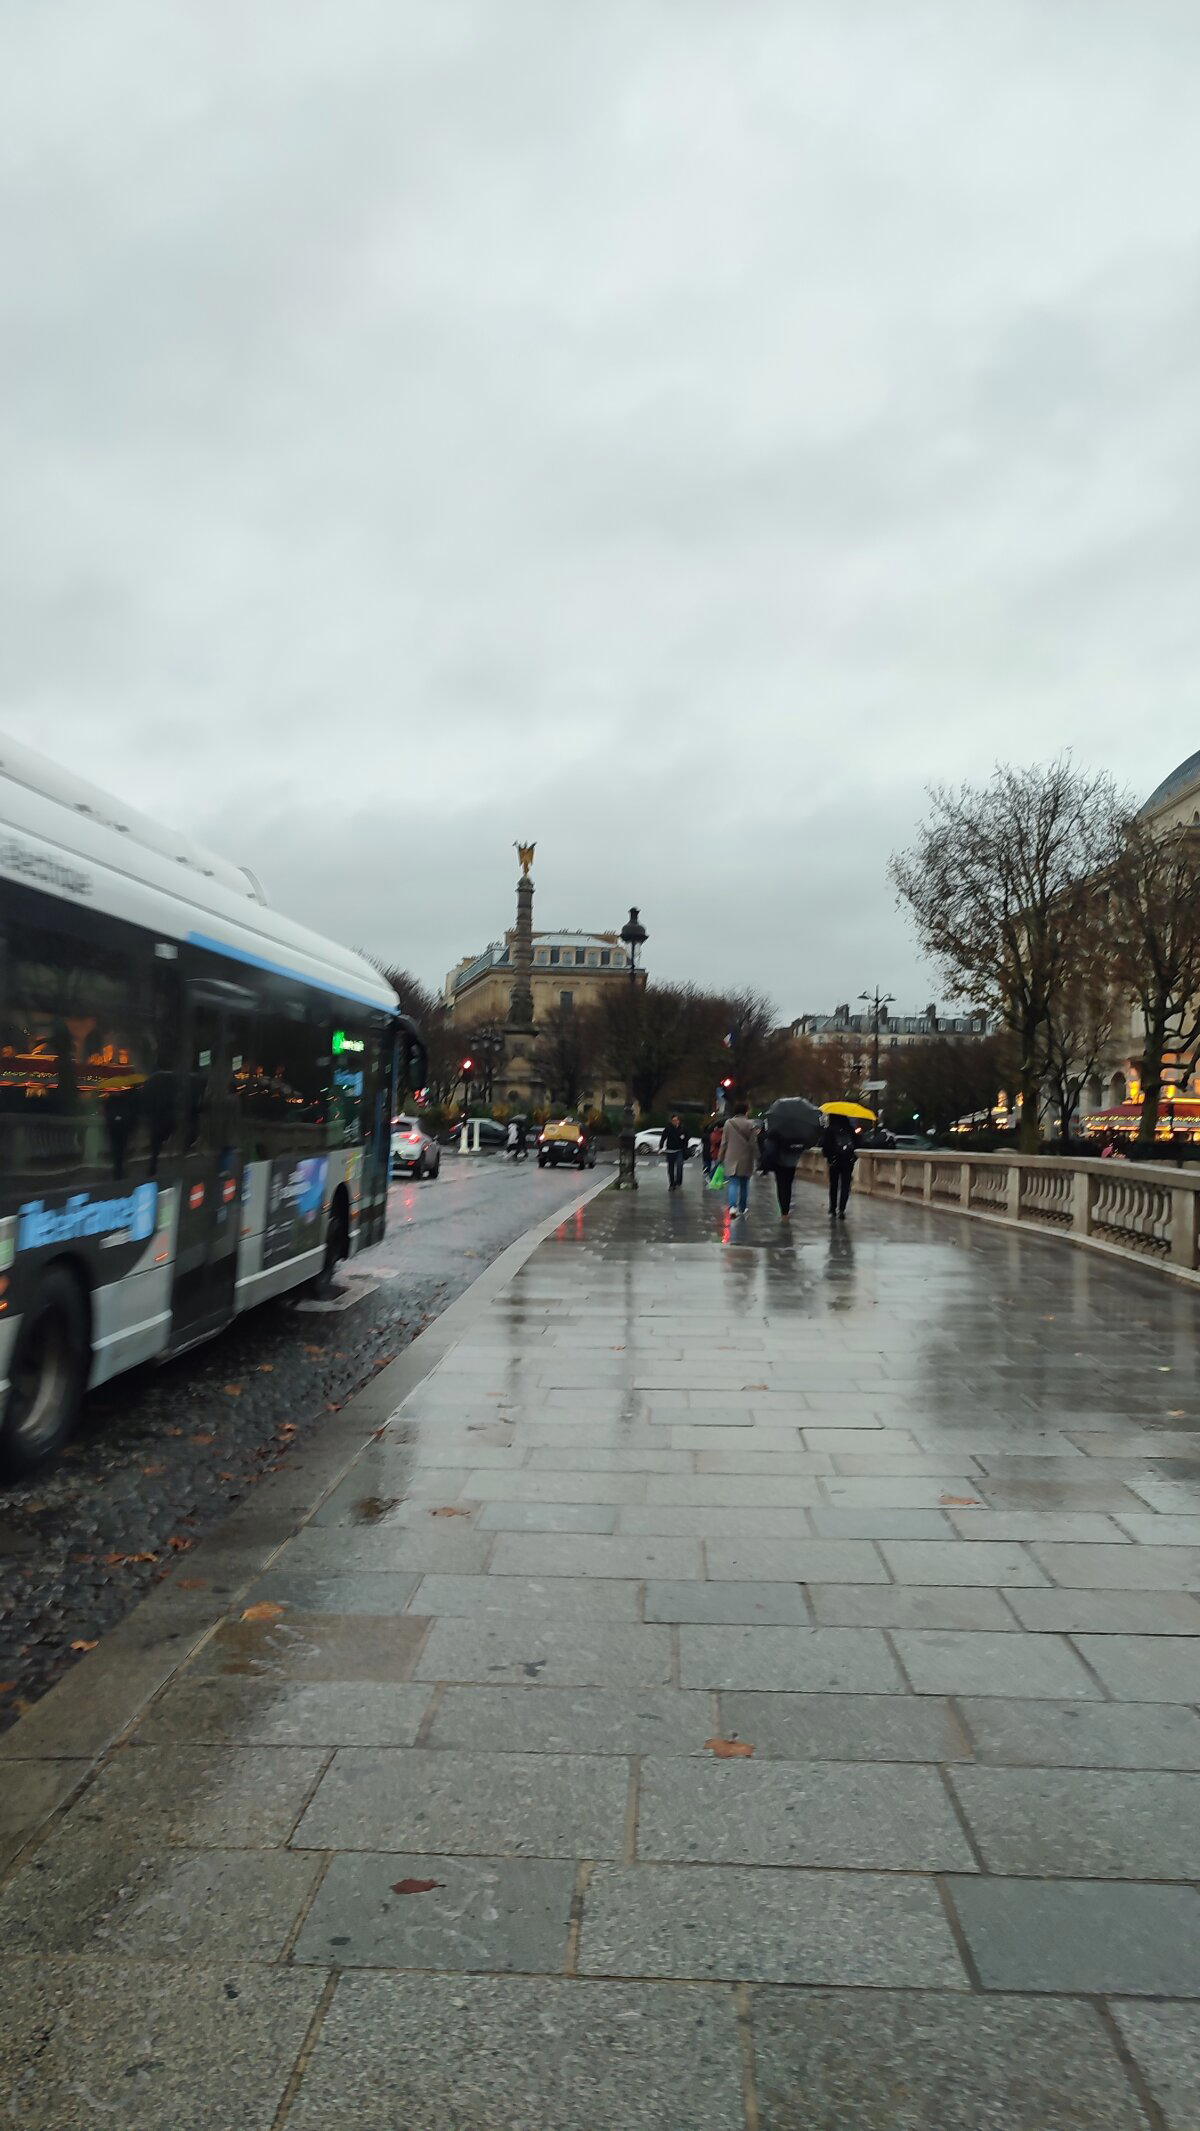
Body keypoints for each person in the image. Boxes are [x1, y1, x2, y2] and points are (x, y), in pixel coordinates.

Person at [719, 1099, 759, 1220]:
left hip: (731, 1158)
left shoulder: (728, 1123)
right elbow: (753, 1144)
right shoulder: (751, 1124)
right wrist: (759, 1157)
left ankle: (732, 1207)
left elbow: (724, 1143)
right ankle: (742, 1207)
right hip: (746, 1159)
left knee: (733, 1183)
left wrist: (720, 1157)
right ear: (746, 1111)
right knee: (744, 1184)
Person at [761, 1122, 801, 1219]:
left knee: (781, 1185)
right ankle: (786, 1209)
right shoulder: (797, 1131)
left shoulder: (775, 1130)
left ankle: (784, 1210)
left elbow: (770, 1148)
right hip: (792, 1162)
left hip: (779, 1162)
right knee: (788, 1185)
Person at [821, 1114, 857, 1218]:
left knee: (834, 1185)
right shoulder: (850, 1129)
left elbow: (824, 1146)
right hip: (847, 1161)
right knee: (845, 1185)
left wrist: (829, 1157)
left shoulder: (830, 1129)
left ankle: (832, 1208)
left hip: (834, 1161)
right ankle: (842, 1209)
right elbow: (858, 1143)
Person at [658, 1113, 688, 1189]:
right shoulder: (668, 1128)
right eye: (673, 1120)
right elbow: (663, 1137)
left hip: (679, 1150)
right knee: (670, 1168)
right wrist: (661, 1146)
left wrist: (684, 1141)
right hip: (670, 1150)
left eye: (676, 1120)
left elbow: (687, 1136)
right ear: (671, 1121)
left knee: (679, 1166)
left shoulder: (682, 1128)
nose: (675, 1122)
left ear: (679, 1121)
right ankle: (672, 1183)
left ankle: (678, 1181)